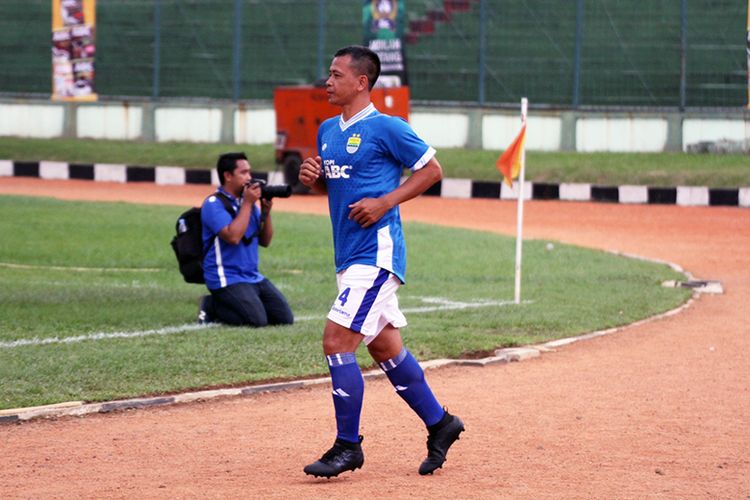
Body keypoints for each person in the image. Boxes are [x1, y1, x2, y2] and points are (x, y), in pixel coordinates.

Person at [298, 45, 464, 478]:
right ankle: (441, 424)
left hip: (377, 255)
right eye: (328, 74)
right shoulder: (327, 131)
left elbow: (432, 170)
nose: (327, 82)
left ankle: (347, 446)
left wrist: (385, 202)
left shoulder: (387, 127)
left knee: (336, 342)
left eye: (335, 75)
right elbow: (336, 192)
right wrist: (313, 181)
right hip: (348, 256)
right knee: (385, 346)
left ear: (361, 82)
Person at [197, 152, 294, 328]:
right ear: (227, 176)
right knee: (256, 321)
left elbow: (265, 241)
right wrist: (248, 204)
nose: (249, 178)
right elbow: (233, 237)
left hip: (251, 276)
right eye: (243, 173)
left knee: (284, 318)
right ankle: (212, 304)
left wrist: (265, 211)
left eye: (249, 172)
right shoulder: (213, 204)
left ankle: (242, 302)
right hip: (226, 277)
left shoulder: (246, 204)